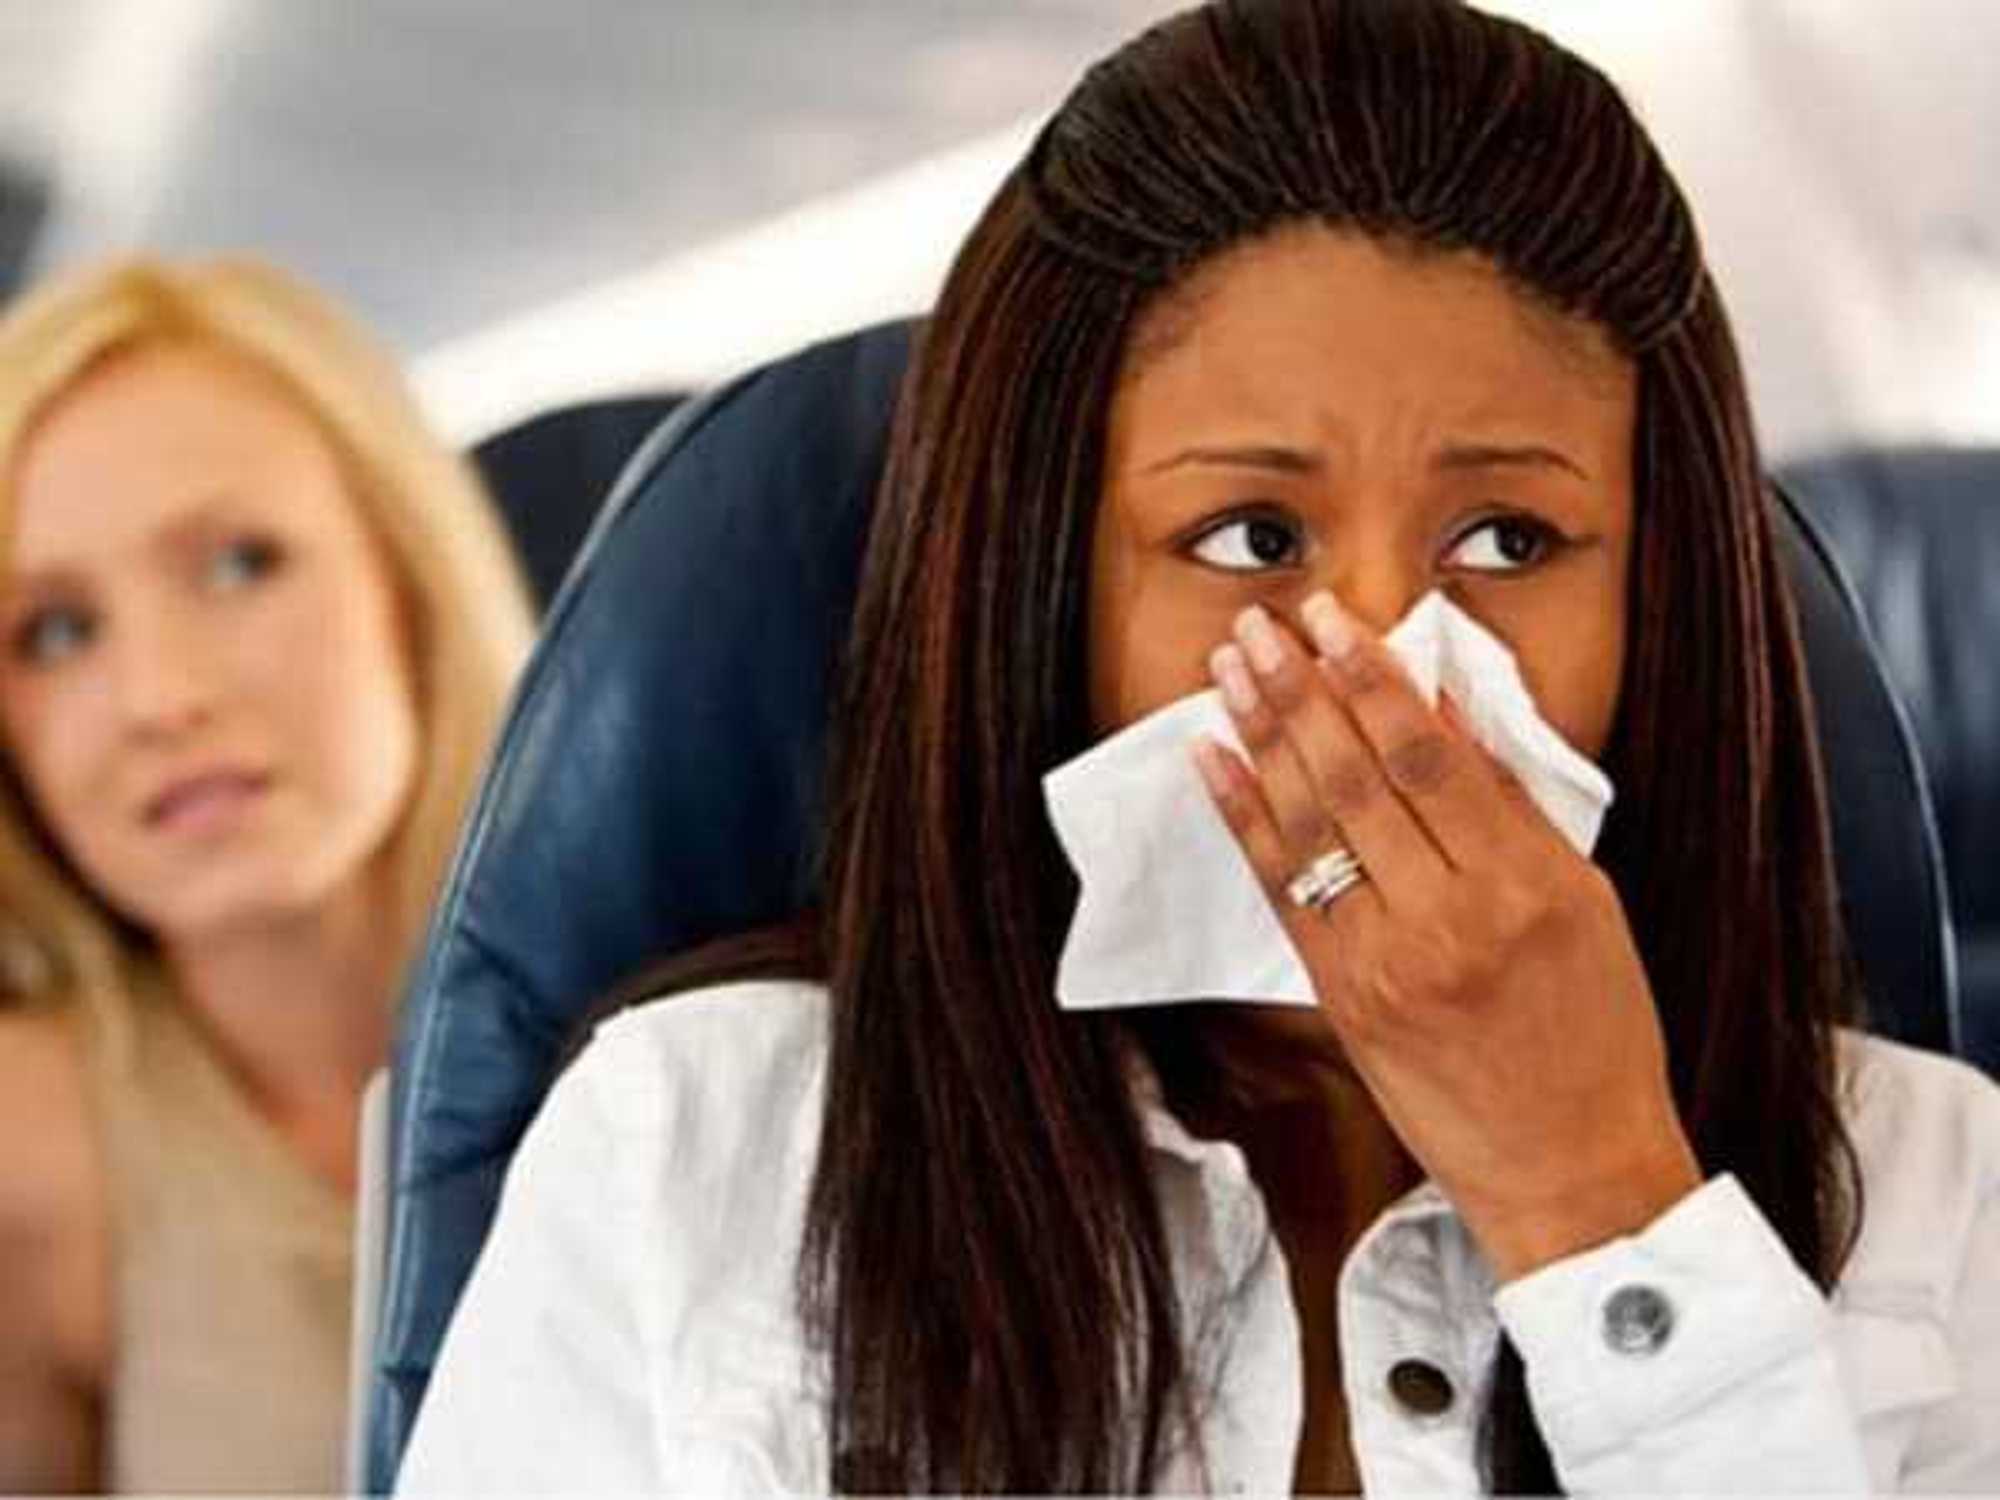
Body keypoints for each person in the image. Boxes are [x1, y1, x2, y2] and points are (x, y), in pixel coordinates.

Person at [398, 0, 2000, 1492]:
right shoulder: (696, 1147)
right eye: (1249, 535)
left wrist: (1607, 1211)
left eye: (1510, 539)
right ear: (1050, 604)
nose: (1382, 667)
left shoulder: (1941, 1189)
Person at [0, 256, 536, 1492]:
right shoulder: (34, 1163)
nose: (158, 698)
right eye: (57, 631)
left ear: (405, 582)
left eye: (240, 565)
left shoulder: (708, 1029)